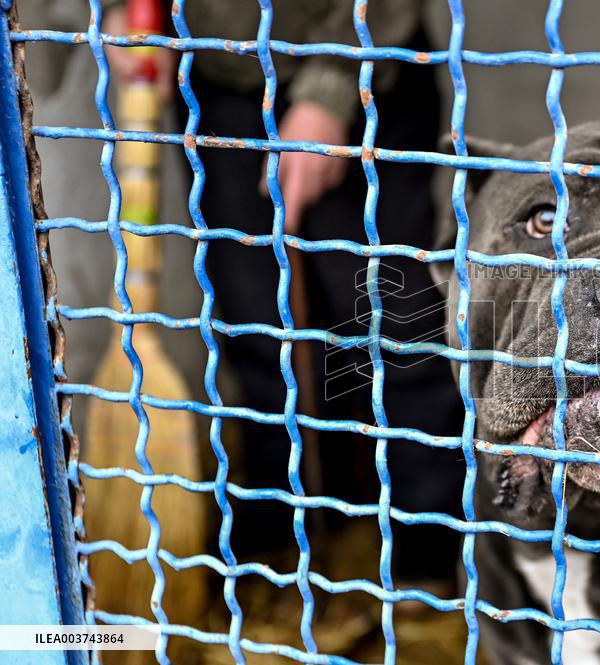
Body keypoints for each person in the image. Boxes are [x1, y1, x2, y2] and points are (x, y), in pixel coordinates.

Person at [103, 0, 466, 594]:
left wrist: (332, 89)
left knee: (386, 314)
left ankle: (427, 552)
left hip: (364, 57)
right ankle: (280, 537)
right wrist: (116, 12)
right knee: (254, 318)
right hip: (218, 75)